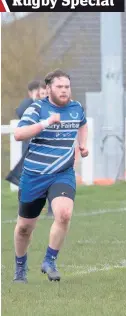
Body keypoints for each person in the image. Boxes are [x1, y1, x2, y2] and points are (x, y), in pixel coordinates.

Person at [12, 69, 89, 283]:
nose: (64, 90)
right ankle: (20, 268)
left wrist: (83, 144)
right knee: (25, 227)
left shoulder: (76, 108)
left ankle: (50, 261)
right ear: (48, 89)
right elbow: (19, 134)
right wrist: (46, 123)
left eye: (67, 86)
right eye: (59, 87)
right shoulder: (37, 108)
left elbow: (82, 124)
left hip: (62, 173)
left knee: (64, 214)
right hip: (34, 175)